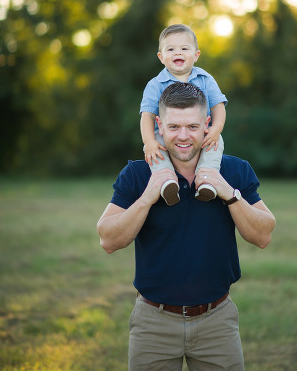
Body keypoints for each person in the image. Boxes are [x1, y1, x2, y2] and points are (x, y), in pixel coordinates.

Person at [97, 82, 276, 370]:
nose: (183, 137)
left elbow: (264, 234)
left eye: (193, 127)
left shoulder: (234, 170)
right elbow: (107, 239)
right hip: (152, 323)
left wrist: (228, 193)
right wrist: (147, 198)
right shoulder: (137, 173)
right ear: (159, 125)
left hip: (217, 321)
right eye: (174, 127)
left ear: (208, 124)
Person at [141, 24, 227, 205]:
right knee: (156, 151)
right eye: (170, 49)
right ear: (161, 57)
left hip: (200, 132)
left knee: (216, 143)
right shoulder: (155, 84)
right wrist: (149, 141)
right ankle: (166, 181)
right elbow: (147, 116)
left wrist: (216, 129)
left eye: (184, 48)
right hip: (166, 134)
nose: (177, 52)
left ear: (196, 55)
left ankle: (207, 179)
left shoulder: (206, 79)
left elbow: (218, 107)